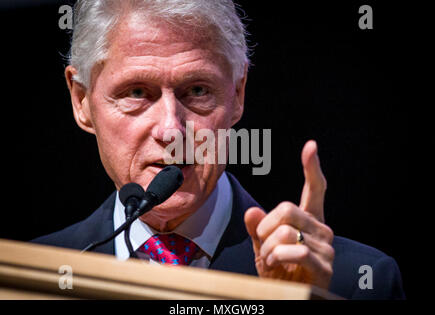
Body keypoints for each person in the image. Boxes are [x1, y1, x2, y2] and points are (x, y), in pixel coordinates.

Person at [32, 0, 405, 299]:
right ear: (81, 101)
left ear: (238, 93)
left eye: (197, 90)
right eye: (136, 93)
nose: (171, 129)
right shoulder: (33, 277)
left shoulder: (356, 282)